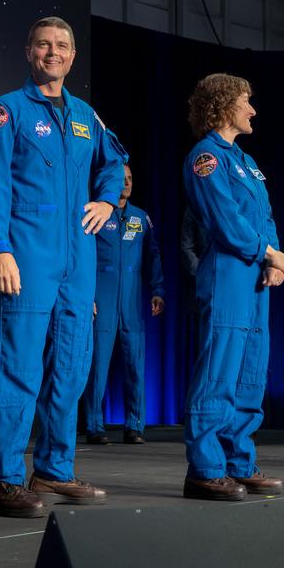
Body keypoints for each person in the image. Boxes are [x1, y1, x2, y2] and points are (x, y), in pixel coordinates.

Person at [0, 17, 126, 517]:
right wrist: (1, 247)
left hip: (78, 260)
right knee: (19, 368)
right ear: (28, 51)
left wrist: (106, 200)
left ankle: (54, 469)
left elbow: (115, 161)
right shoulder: (7, 111)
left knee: (72, 367)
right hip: (29, 253)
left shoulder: (86, 115)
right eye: (43, 44)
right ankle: (2, 480)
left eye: (62, 45)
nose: (53, 52)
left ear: (73, 55)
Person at [181, 73, 284, 501]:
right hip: (228, 272)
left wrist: (275, 259)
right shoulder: (206, 157)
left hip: (256, 277)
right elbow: (227, 222)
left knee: (249, 372)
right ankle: (205, 468)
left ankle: (238, 461)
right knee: (219, 372)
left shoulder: (246, 161)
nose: (253, 109)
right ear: (225, 105)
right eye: (246, 101)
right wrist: (267, 252)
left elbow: (264, 215)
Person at [83, 164, 166, 445]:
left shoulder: (140, 219)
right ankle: (94, 424)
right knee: (98, 365)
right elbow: (83, 257)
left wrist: (158, 290)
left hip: (131, 301)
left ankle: (135, 425)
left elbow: (153, 256)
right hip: (101, 298)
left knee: (135, 364)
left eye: (131, 178)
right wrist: (86, 295)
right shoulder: (94, 214)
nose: (127, 183)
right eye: (122, 179)